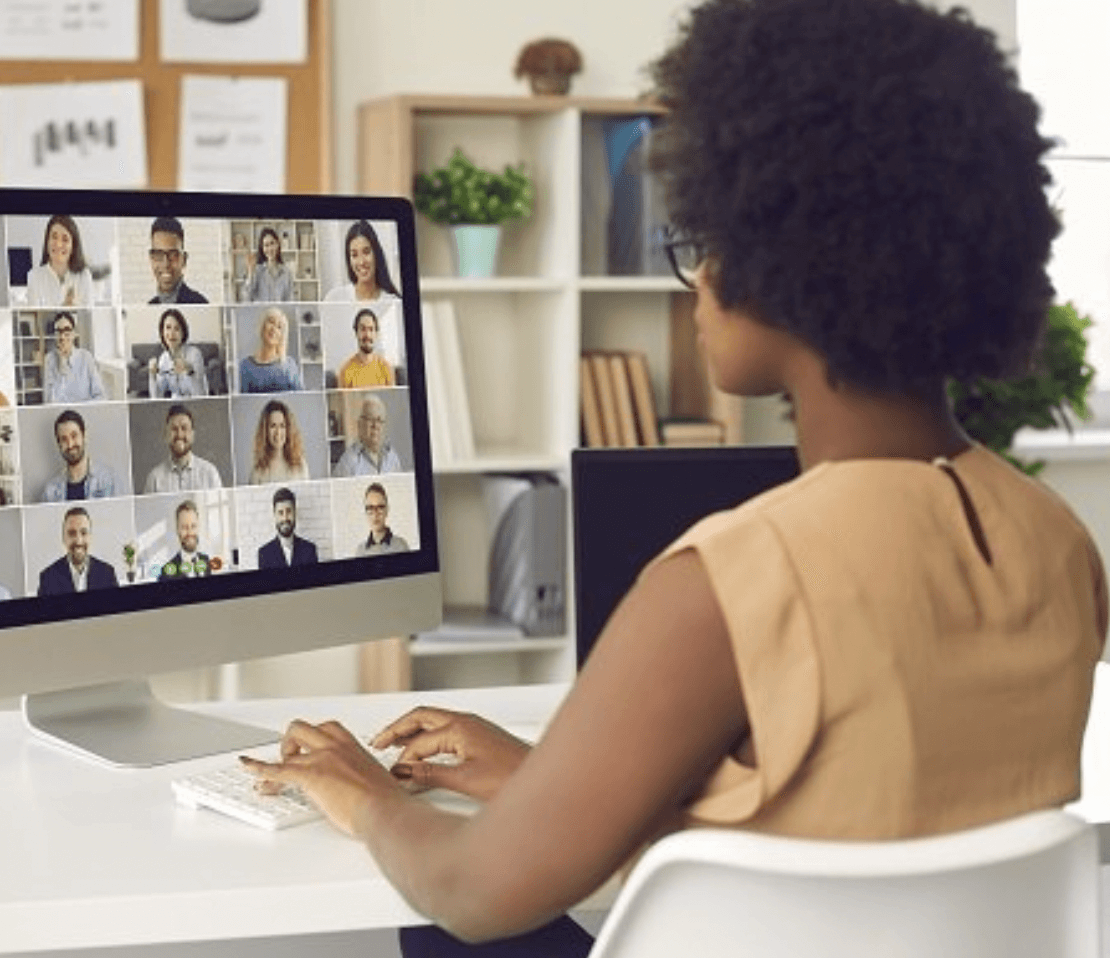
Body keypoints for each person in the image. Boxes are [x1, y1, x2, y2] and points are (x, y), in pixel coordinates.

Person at [242, 2, 1109, 954]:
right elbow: (854, 840)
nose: (696, 281)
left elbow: (472, 892)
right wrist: (547, 779)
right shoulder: (1053, 537)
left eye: (708, 242)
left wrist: (362, 794)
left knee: (443, 934)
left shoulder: (733, 578)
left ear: (788, 261)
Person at [142, 404, 224, 493]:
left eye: (184, 428)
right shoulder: (154, 479)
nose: (179, 435)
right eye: (174, 429)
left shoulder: (210, 473)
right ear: (166, 435)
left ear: (192, 435)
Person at [41, 409, 120, 502]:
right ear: (59, 445)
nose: (70, 445)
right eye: (64, 439)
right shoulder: (50, 491)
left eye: (74, 436)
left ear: (84, 436)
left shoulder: (108, 480)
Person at [37, 507, 118, 595]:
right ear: (64, 538)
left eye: (84, 533)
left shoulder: (108, 574)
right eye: (72, 533)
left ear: (90, 537)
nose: (78, 541)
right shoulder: (48, 578)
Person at [324, 219, 401, 304]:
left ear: (376, 254)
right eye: (354, 255)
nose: (361, 262)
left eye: (366, 252)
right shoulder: (334, 299)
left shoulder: (393, 303)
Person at [26, 214, 94, 307]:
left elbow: (88, 318)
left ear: (73, 246)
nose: (58, 244)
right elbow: (33, 318)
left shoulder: (84, 276)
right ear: (47, 241)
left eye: (65, 239)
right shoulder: (34, 277)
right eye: (54, 237)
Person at [42, 311, 107, 404]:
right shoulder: (49, 359)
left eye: (67, 331)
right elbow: (49, 401)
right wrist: (62, 366)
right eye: (58, 332)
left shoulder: (86, 357)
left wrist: (80, 408)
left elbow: (101, 396)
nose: (62, 337)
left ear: (73, 334)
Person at [237, 306, 304, 393]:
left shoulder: (289, 365)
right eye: (271, 322)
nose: (274, 329)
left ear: (282, 336)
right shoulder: (245, 366)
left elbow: (299, 397)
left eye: (279, 327)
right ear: (263, 326)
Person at [333, 394, 402, 476]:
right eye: (370, 419)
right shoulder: (348, 461)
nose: (375, 425)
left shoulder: (392, 456)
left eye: (379, 420)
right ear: (359, 424)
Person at [148, 308, 210, 398]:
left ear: (183, 332)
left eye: (177, 329)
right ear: (162, 332)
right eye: (168, 328)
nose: (171, 333)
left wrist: (189, 372)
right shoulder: (164, 359)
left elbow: (200, 395)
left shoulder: (195, 354)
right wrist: (152, 376)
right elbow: (157, 397)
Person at [147, 215, 208, 305]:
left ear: (184, 260)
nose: (165, 264)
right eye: (158, 254)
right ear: (151, 259)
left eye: (173, 255)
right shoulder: (151, 305)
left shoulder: (199, 303)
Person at [248, 399, 310, 484]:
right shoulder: (257, 471)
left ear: (288, 430)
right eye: (273, 426)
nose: (278, 432)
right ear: (265, 431)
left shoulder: (300, 465)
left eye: (282, 426)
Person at [257, 487, 319, 569]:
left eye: (289, 511)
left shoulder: (310, 550)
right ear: (274, 515)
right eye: (280, 513)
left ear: (295, 512)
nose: (285, 518)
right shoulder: (264, 554)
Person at [338, 308, 396, 389]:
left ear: (376, 334)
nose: (367, 335)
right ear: (356, 333)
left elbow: (394, 399)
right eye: (363, 329)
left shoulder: (386, 367)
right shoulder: (345, 370)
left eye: (371, 329)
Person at [158, 499, 214, 579]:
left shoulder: (206, 560)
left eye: (193, 526)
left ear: (198, 527)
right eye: (184, 527)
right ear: (178, 530)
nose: (190, 532)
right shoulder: (166, 572)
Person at [353, 482, 409, 556]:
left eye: (380, 507)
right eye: (370, 508)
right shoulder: (360, 551)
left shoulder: (401, 547)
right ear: (365, 512)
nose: (375, 514)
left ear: (387, 510)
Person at [244, 226, 295, 303]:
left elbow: (291, 301)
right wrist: (250, 272)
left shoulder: (287, 273)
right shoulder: (257, 271)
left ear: (277, 244)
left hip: (280, 314)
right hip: (261, 314)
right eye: (266, 245)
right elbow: (247, 298)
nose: (270, 249)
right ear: (262, 249)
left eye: (272, 243)